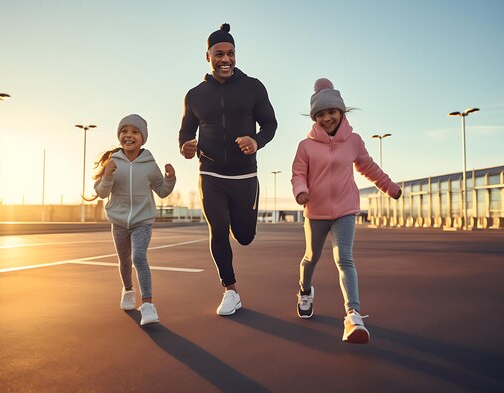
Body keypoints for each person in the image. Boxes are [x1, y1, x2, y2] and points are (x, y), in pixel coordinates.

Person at [291, 78, 402, 344]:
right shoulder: (305, 146)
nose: (327, 118)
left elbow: (369, 168)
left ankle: (353, 316)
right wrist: (300, 191)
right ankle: (305, 291)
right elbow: (298, 173)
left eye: (332, 112)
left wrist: (390, 187)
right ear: (314, 117)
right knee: (311, 258)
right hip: (315, 212)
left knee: (345, 260)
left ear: (341, 112)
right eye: (321, 114)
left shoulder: (353, 141)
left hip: (345, 210)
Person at [178, 23, 278, 316]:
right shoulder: (194, 95)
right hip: (210, 173)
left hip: (244, 174)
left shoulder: (253, 87)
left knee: (244, 236)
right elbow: (185, 132)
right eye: (219, 53)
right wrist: (185, 145)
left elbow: (270, 124)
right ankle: (230, 291)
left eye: (231, 53)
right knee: (218, 230)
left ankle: (243, 226)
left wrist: (255, 141)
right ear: (207, 56)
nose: (226, 59)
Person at [90, 114, 176, 326]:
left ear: (143, 138)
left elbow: (162, 191)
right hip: (118, 222)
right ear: (119, 136)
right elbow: (101, 192)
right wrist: (108, 175)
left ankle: (147, 305)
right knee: (124, 260)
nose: (128, 135)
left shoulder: (149, 164)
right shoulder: (113, 162)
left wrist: (170, 179)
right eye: (124, 131)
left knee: (139, 257)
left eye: (134, 132)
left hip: (142, 221)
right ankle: (128, 290)